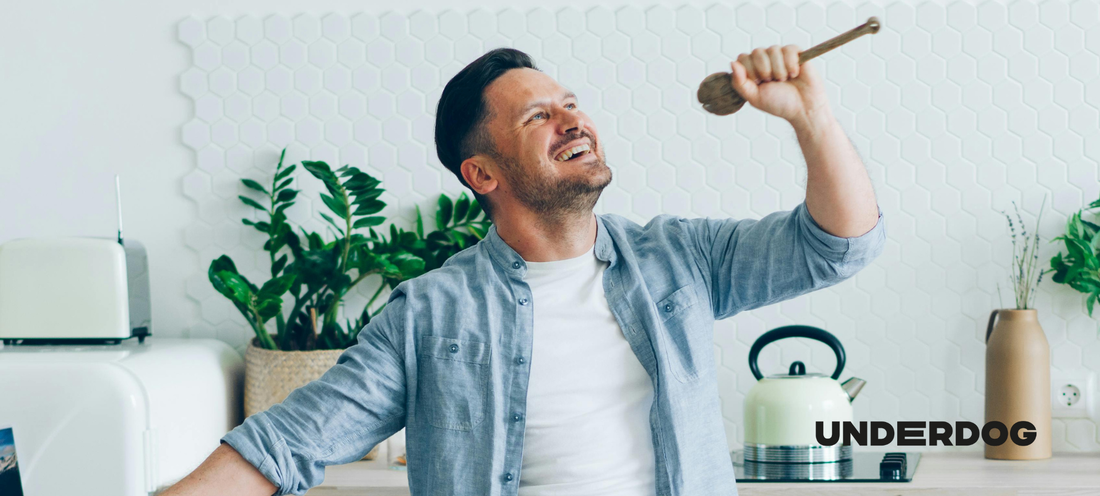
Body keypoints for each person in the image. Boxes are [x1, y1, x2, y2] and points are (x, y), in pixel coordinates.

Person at [164, 45, 884, 496]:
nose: (573, 121)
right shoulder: (429, 314)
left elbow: (838, 244)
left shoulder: (680, 259)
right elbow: (287, 441)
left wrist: (810, 115)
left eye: (571, 104)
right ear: (481, 172)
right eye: (538, 116)